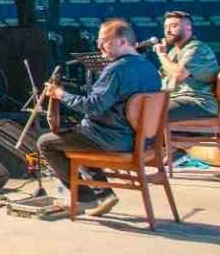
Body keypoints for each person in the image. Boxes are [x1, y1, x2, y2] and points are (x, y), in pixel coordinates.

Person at [38, 18, 163, 216]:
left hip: (113, 141)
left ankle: (84, 198)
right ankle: (104, 194)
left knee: (46, 143)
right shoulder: (150, 68)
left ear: (122, 42)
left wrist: (61, 94)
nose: (98, 45)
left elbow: (93, 106)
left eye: (104, 40)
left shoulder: (115, 70)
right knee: (79, 136)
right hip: (141, 141)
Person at [151, 9, 220, 121]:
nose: (167, 31)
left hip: (199, 103)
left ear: (189, 28)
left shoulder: (196, 48)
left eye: (173, 26)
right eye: (165, 27)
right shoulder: (173, 52)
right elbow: (161, 81)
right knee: (139, 107)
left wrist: (162, 55)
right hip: (174, 100)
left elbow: (178, 74)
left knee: (150, 112)